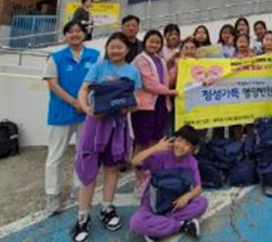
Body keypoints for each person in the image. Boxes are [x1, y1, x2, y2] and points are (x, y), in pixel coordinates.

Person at [71, 32, 143, 242]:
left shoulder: (132, 71)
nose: (115, 50)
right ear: (107, 49)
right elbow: (83, 90)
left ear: (127, 49)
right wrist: (87, 109)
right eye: (112, 47)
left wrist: (128, 108)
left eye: (120, 47)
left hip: (118, 125)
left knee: (112, 167)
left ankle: (107, 208)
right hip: (96, 124)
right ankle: (83, 216)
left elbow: (136, 100)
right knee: (89, 168)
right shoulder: (99, 66)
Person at [42, 21, 100, 217]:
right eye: (70, 31)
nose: (75, 34)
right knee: (55, 156)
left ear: (85, 34)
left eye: (78, 31)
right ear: (65, 35)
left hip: (86, 113)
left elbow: (98, 81)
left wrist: (85, 104)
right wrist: (75, 102)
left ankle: (78, 190)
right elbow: (53, 84)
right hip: (61, 113)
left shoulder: (95, 56)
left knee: (83, 153)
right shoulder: (56, 58)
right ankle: (52, 195)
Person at [129, 126, 208, 241]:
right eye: (179, 140)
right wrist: (155, 148)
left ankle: (159, 227)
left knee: (202, 202)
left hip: (176, 204)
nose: (181, 146)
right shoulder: (161, 155)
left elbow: (198, 188)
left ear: (192, 149)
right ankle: (182, 225)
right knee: (136, 222)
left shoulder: (191, 162)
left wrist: (187, 196)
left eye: (187, 144)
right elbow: (134, 161)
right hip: (155, 203)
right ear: (174, 140)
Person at [132, 30, 178, 195]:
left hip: (160, 104)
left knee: (155, 141)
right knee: (142, 142)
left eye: (157, 42)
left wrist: (178, 67)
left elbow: (166, 80)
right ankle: (139, 180)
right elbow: (149, 83)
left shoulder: (161, 60)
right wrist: (170, 92)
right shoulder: (140, 60)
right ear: (145, 42)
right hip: (144, 106)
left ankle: (151, 178)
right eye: (151, 41)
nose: (154, 45)